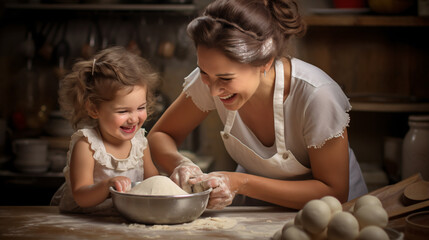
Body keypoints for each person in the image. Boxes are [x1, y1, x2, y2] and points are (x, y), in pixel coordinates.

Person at [147, 0, 368, 210]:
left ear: (265, 62)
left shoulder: (316, 95)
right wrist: (181, 164)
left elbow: (333, 192)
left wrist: (240, 183)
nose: (213, 90)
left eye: (226, 78)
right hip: (258, 210)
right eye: (204, 72)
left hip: (333, 216)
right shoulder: (212, 77)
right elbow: (161, 135)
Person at [51, 46, 159, 213]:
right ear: (94, 109)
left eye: (141, 108)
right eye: (123, 111)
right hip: (85, 222)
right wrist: (106, 186)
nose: (134, 118)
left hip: (123, 219)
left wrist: (174, 183)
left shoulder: (140, 143)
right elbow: (81, 195)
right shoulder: (87, 146)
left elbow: (154, 182)